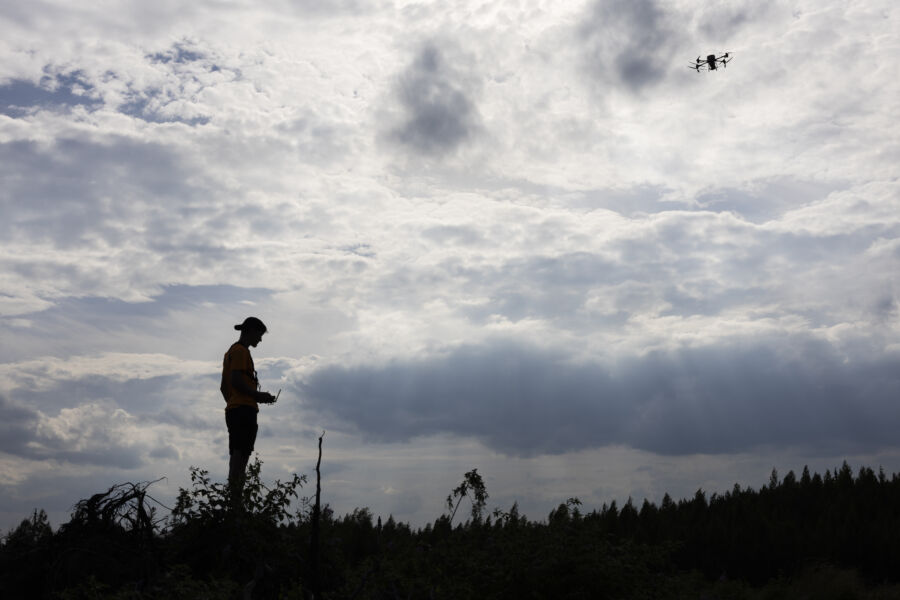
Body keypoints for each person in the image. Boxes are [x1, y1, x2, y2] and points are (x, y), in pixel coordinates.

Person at [221, 316, 277, 500]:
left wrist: (236, 402)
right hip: (243, 412)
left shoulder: (231, 352)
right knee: (240, 457)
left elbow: (224, 387)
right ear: (251, 331)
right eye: (259, 335)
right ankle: (235, 502)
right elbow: (236, 381)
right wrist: (257, 396)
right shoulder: (240, 352)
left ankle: (234, 500)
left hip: (236, 410)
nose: (260, 340)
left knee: (238, 455)